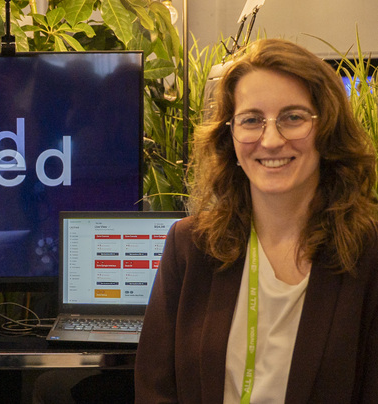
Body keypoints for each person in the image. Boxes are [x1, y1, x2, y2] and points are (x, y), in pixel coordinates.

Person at [135, 39, 378, 402]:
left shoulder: (368, 251)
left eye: (293, 117)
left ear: (326, 128)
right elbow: (154, 391)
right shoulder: (190, 246)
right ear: (230, 135)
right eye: (251, 120)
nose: (271, 140)